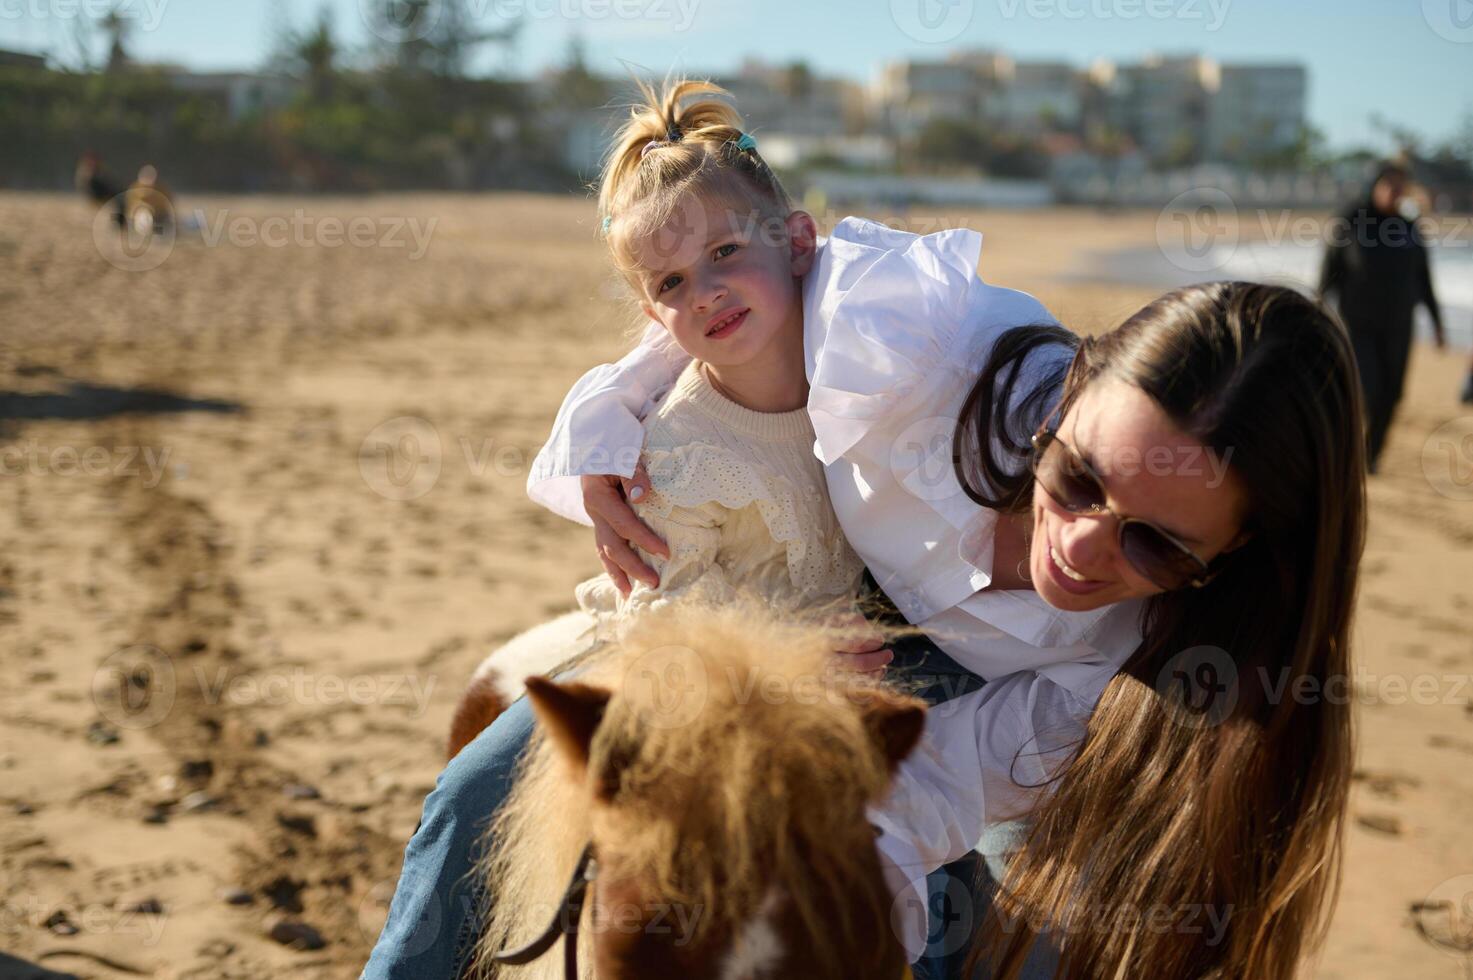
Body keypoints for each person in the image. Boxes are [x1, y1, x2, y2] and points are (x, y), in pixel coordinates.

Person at [364, 78, 1366, 980]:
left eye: (1156, 545)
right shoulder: (914, 342)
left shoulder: (1130, 677)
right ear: (1072, 387)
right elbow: (728, 309)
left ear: (1229, 554)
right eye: (1075, 478)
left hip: (925, 703)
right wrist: (608, 411)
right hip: (753, 620)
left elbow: (930, 790)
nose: (1081, 546)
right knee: (473, 796)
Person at [1319, 162, 1445, 470]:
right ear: (1375, 186)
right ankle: (1343, 447)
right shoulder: (1352, 221)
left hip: (1399, 326)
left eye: (1400, 186)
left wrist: (1437, 323)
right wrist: (1318, 307)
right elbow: (1329, 271)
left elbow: (1424, 278)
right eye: (1388, 185)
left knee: (1392, 396)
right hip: (1358, 323)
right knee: (1368, 390)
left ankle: (1370, 456)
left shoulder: (1410, 228)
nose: (1394, 192)